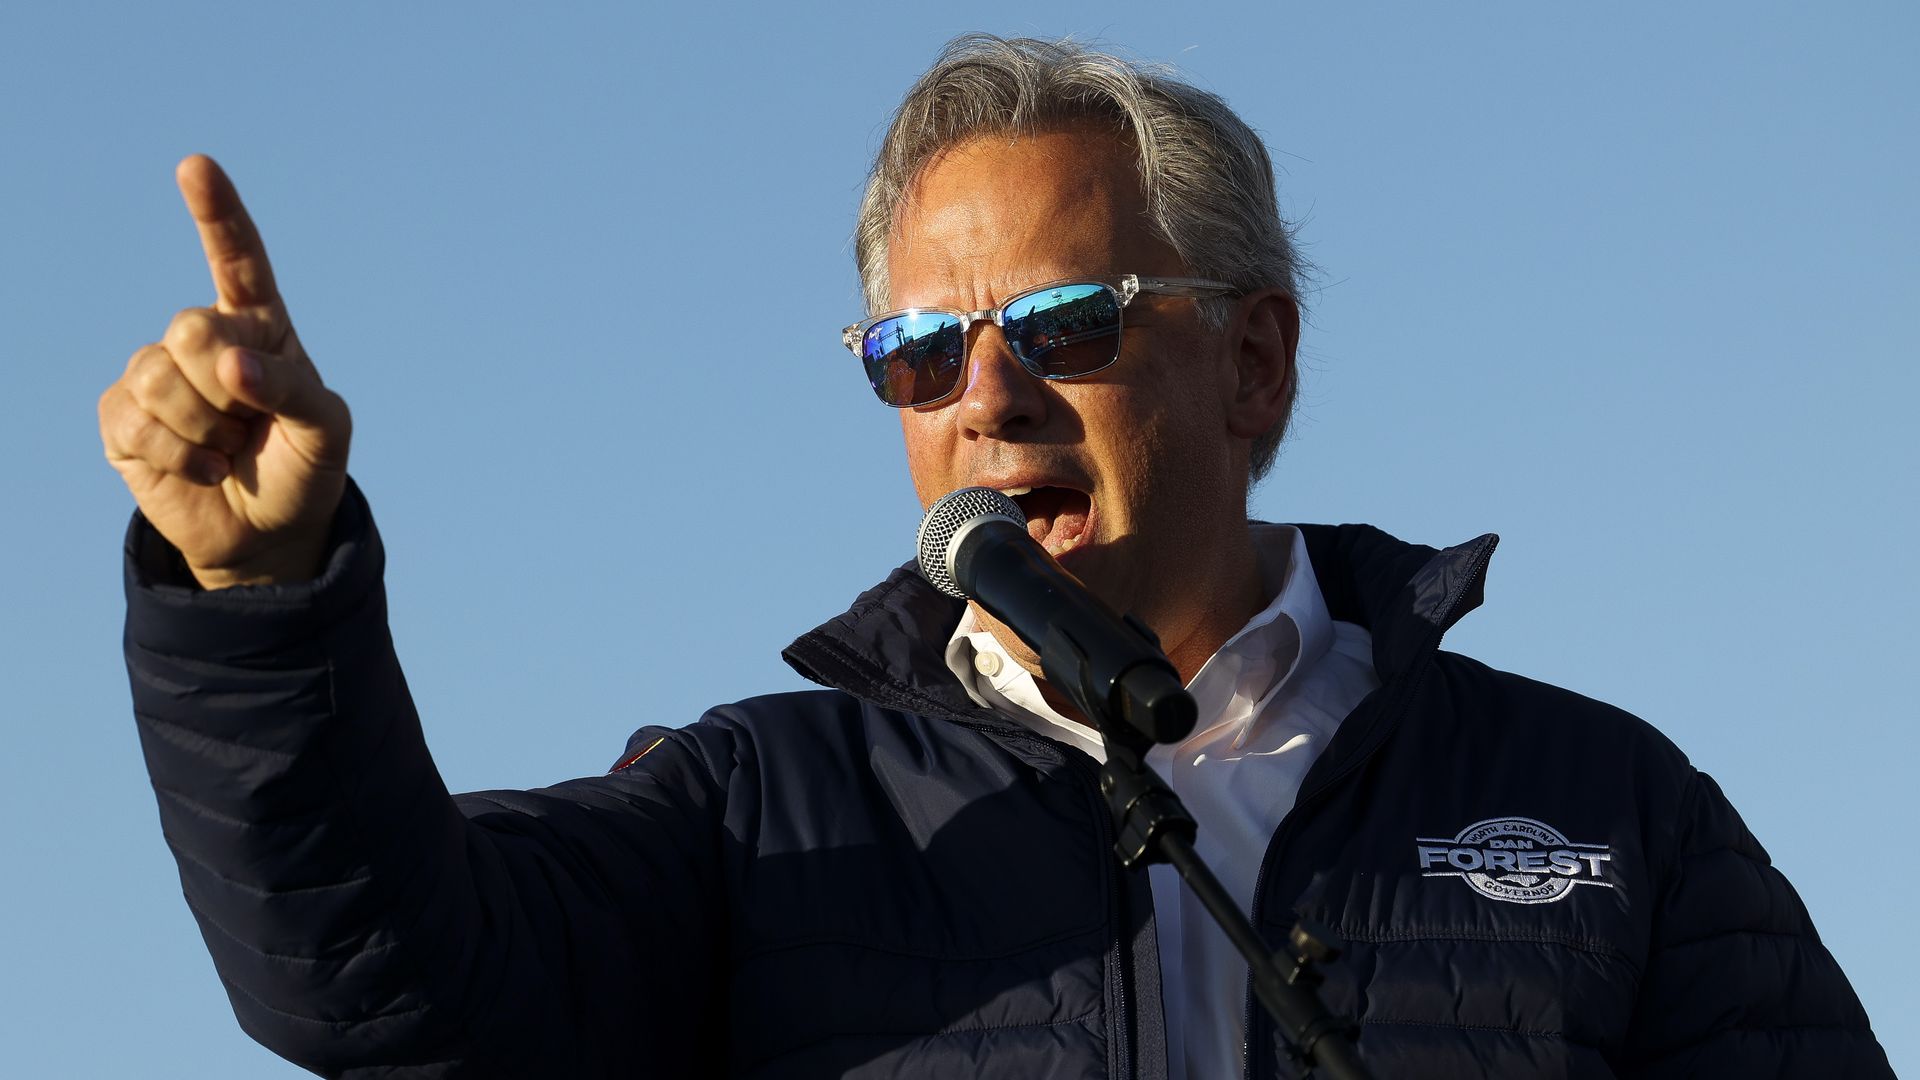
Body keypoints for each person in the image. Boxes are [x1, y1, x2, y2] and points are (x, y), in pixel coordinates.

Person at [100, 35, 1890, 1080]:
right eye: (918, 352)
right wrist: (266, 610)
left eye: (1066, 321)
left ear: (1256, 358)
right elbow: (384, 974)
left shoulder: (1598, 805)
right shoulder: (757, 811)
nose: (988, 395)